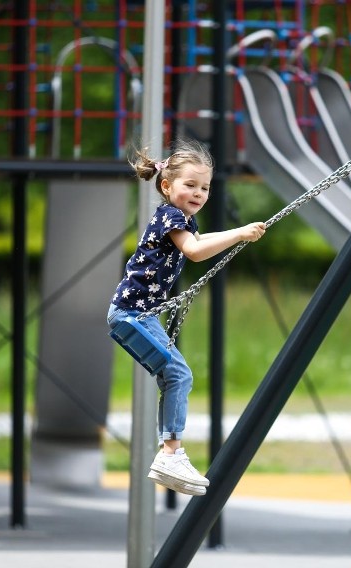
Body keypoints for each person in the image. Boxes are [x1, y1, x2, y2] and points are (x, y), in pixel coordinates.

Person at [108, 138, 266, 496]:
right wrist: (239, 232)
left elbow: (198, 239)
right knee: (178, 373)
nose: (198, 193)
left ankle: (170, 452)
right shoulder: (171, 215)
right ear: (167, 186)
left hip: (140, 316)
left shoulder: (182, 220)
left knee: (174, 375)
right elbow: (195, 251)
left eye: (205, 187)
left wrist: (237, 235)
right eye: (190, 185)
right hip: (131, 315)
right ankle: (170, 454)